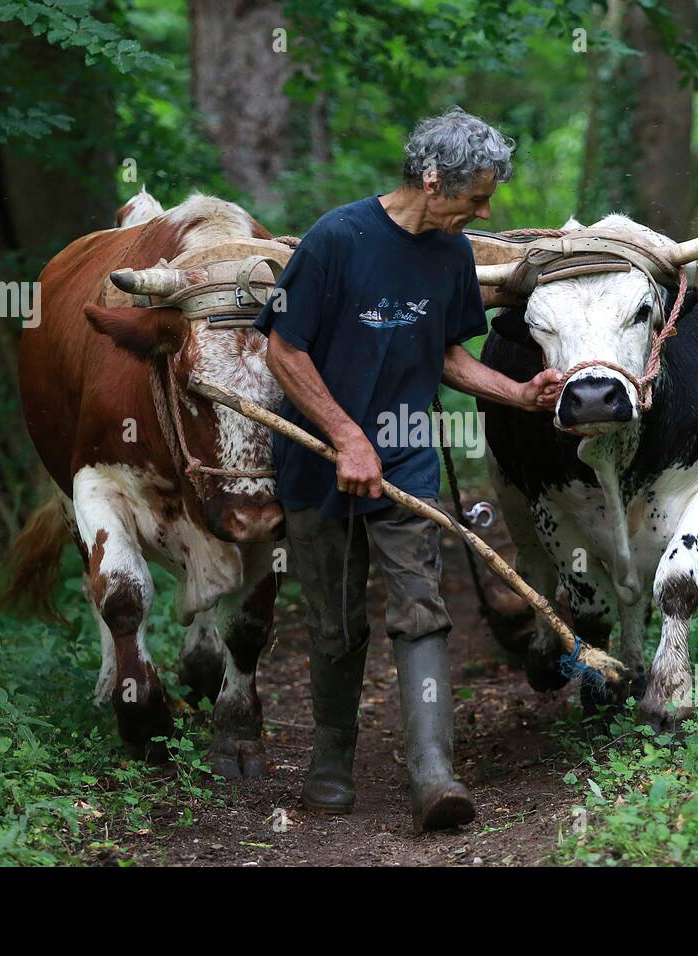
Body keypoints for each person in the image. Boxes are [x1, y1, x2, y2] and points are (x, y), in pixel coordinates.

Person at [254, 107, 562, 831]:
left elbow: (449, 355)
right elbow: (284, 350)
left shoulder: (451, 253)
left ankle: (433, 773)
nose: (484, 213)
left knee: (421, 609)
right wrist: (346, 438)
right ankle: (331, 766)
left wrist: (519, 393)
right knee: (334, 623)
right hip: (317, 462)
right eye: (476, 198)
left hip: (408, 458)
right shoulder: (336, 240)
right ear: (431, 180)